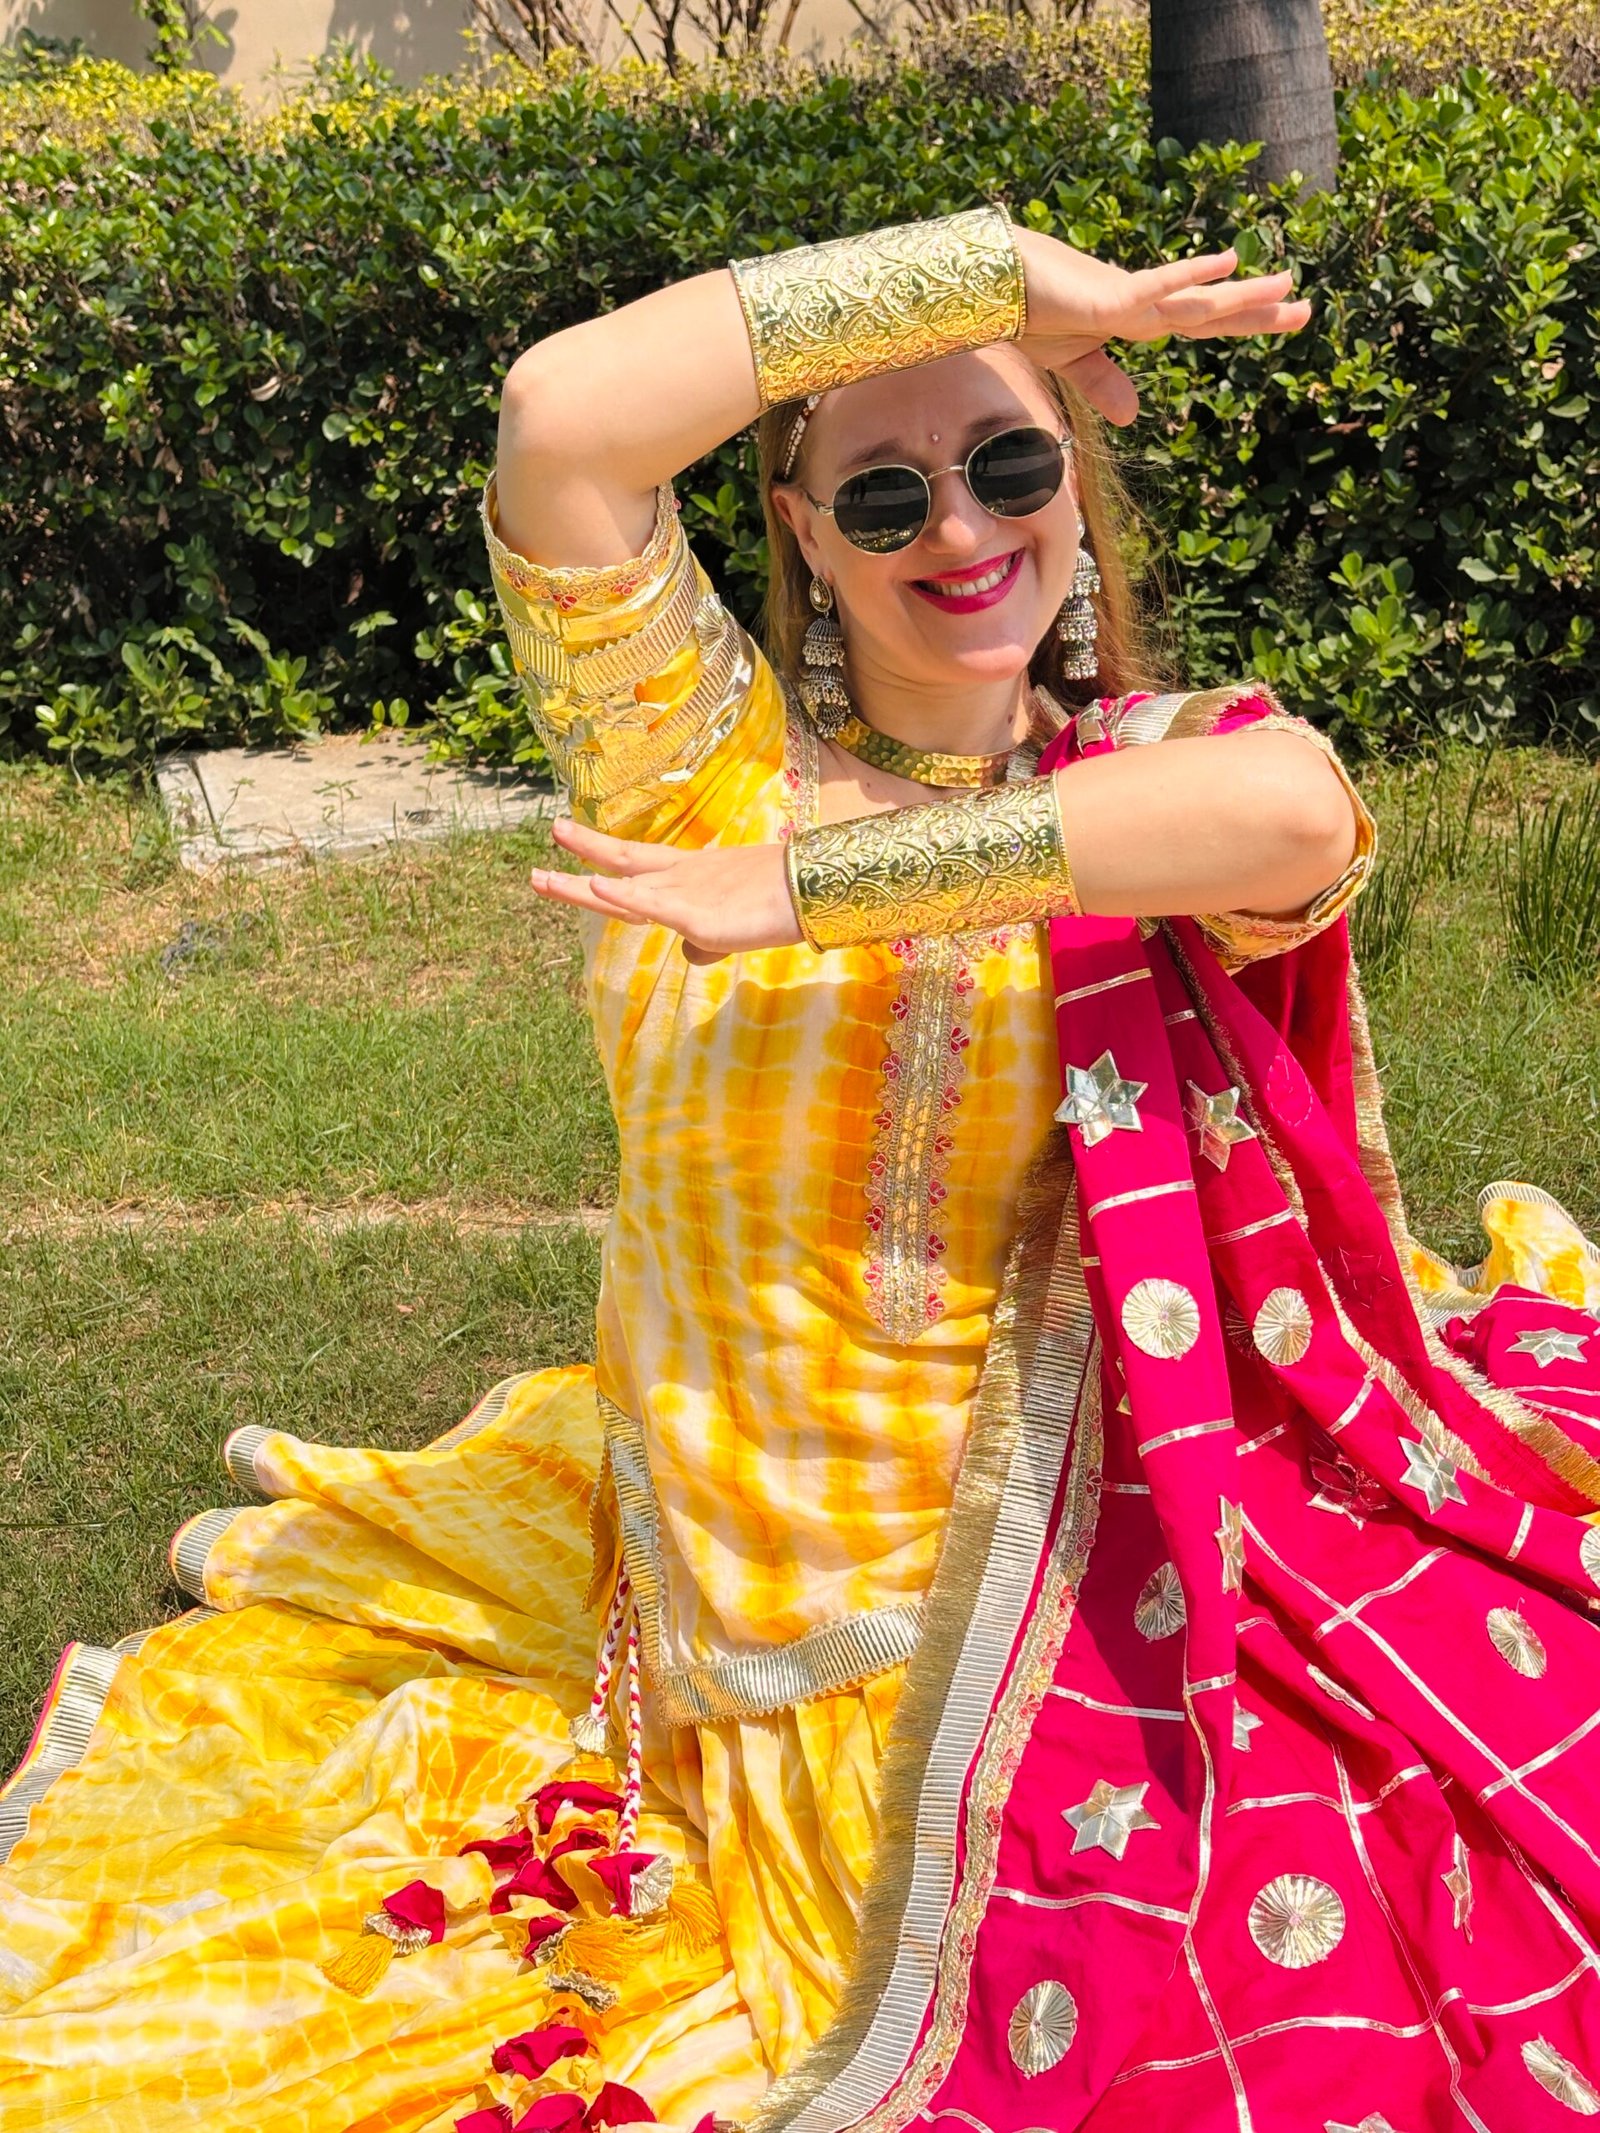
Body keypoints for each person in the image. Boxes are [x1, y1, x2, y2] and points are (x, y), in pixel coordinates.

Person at [3, 208, 1600, 2133]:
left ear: (1076, 498)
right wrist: (1008, 279)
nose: (961, 526)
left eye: (1011, 464)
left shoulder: (1147, 775)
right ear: (805, 535)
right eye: (885, 491)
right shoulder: (691, 765)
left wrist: (813, 883)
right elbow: (562, 417)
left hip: (1050, 1572)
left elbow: (1296, 813)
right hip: (740, 1598)